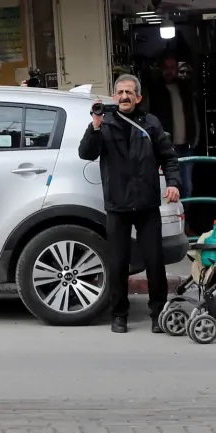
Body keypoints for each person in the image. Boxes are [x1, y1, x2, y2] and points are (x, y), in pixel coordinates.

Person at [78, 74, 182, 334]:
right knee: (118, 262)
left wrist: (173, 183)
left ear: (138, 97)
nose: (124, 96)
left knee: (154, 261)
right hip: (117, 205)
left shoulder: (151, 123)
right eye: (120, 92)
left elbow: (169, 157)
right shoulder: (105, 123)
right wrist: (95, 124)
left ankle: (159, 314)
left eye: (129, 92)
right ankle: (119, 315)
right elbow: (86, 153)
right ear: (114, 96)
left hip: (147, 204)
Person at [145, 53, 199, 200]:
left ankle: (184, 220)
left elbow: (193, 115)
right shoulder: (154, 90)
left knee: (187, 186)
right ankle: (174, 220)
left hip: (186, 146)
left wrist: (195, 137)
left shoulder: (185, 88)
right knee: (169, 188)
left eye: (172, 68)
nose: (170, 71)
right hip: (165, 147)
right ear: (161, 68)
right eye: (166, 67)